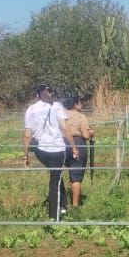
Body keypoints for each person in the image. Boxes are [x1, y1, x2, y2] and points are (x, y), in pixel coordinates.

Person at [24, 84, 77, 221]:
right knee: (54, 181)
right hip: (57, 149)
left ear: (37, 95)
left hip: (41, 151)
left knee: (56, 175)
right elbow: (65, 129)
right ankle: (55, 216)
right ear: (50, 93)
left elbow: (27, 135)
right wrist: (74, 147)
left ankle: (63, 204)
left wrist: (25, 154)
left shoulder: (31, 110)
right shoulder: (57, 106)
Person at [63, 96, 94, 207]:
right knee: (76, 176)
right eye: (80, 103)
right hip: (77, 143)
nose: (81, 106)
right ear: (75, 105)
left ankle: (60, 202)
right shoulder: (81, 116)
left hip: (61, 143)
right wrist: (91, 133)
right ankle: (75, 204)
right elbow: (85, 135)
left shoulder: (61, 114)